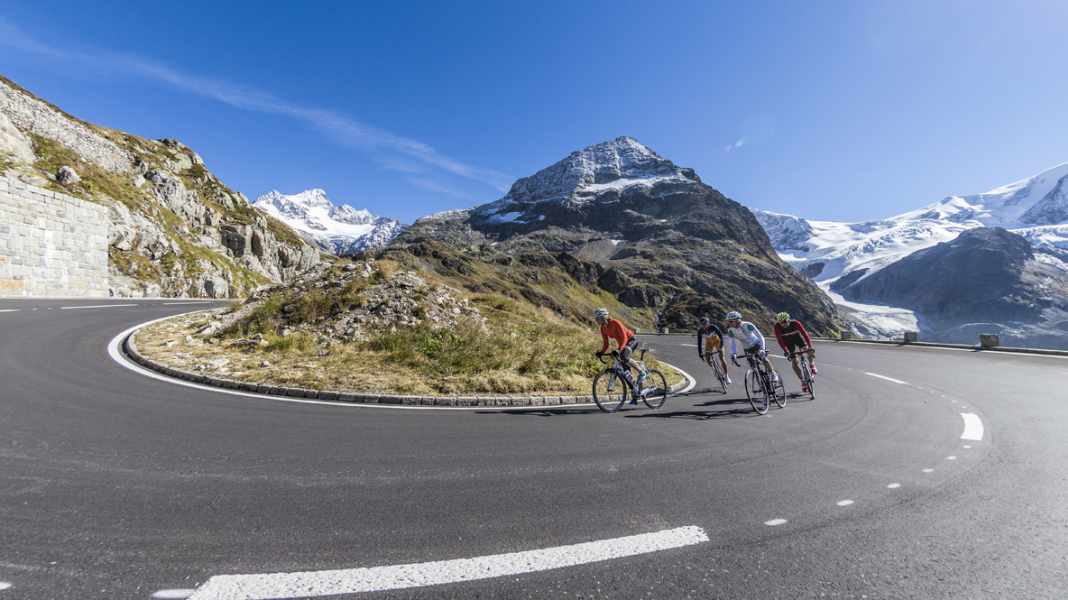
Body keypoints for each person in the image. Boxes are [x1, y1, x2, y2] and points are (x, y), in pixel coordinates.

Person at [593, 308, 645, 400]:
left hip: (631, 340)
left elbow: (624, 337)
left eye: (598, 318)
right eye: (596, 318)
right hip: (622, 344)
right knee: (625, 371)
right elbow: (606, 343)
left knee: (623, 356)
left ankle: (641, 372)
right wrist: (601, 352)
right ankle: (635, 391)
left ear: (603, 317)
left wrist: (619, 349)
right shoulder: (603, 328)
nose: (596, 320)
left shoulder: (615, 322)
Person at [724, 310, 779, 385]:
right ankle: (761, 383)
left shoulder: (747, 325)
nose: (729, 323)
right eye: (728, 321)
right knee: (753, 367)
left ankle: (773, 373)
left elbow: (760, 336)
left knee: (763, 358)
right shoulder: (731, 330)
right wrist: (733, 354)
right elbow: (732, 343)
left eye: (731, 321)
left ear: (737, 320)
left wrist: (762, 349)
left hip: (757, 344)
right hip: (747, 348)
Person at [773, 311, 817, 393]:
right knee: (794, 363)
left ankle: (812, 365)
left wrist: (810, 346)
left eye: (785, 321)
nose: (783, 324)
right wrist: (786, 351)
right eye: (781, 322)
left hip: (798, 339)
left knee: (808, 350)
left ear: (788, 320)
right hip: (788, 343)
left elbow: (804, 334)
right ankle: (803, 381)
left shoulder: (796, 323)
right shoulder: (777, 327)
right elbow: (780, 340)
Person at [696, 316, 731, 385]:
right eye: (702, 325)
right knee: (707, 359)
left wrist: (720, 347)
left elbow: (721, 336)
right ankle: (715, 369)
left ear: (708, 323)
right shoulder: (700, 331)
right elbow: (699, 343)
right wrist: (700, 353)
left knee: (722, 358)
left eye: (705, 324)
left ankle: (726, 376)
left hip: (717, 341)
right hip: (709, 343)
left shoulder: (713, 327)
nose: (704, 326)